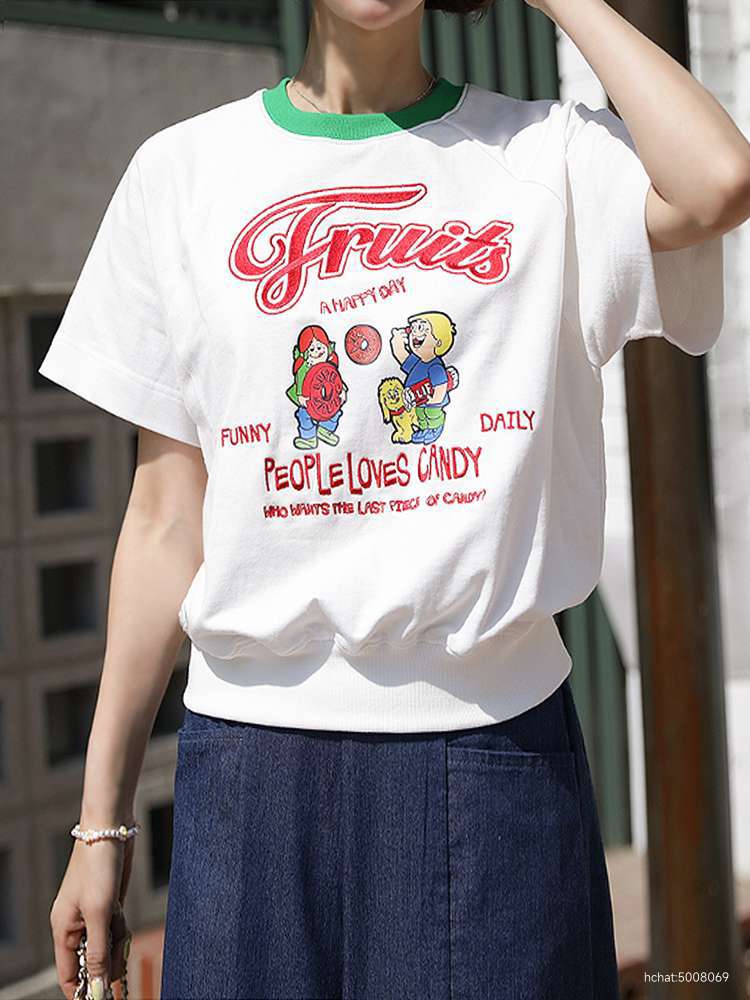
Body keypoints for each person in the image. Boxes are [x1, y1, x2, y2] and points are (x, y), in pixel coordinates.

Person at [43, 0, 749, 995]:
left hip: (491, 758)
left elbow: (718, 180)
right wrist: (101, 821)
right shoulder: (182, 173)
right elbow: (165, 519)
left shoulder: (547, 158)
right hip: (247, 782)